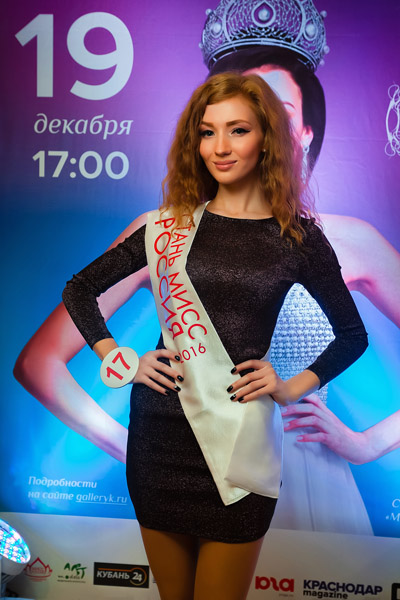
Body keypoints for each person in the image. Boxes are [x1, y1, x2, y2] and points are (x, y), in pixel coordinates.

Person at [60, 72, 368, 600]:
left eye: (238, 130)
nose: (220, 147)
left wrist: (289, 386)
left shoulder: (296, 237)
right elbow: (79, 289)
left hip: (240, 445)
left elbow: (351, 335)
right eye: (207, 132)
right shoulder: (168, 227)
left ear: (267, 139)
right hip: (159, 441)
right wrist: (120, 359)